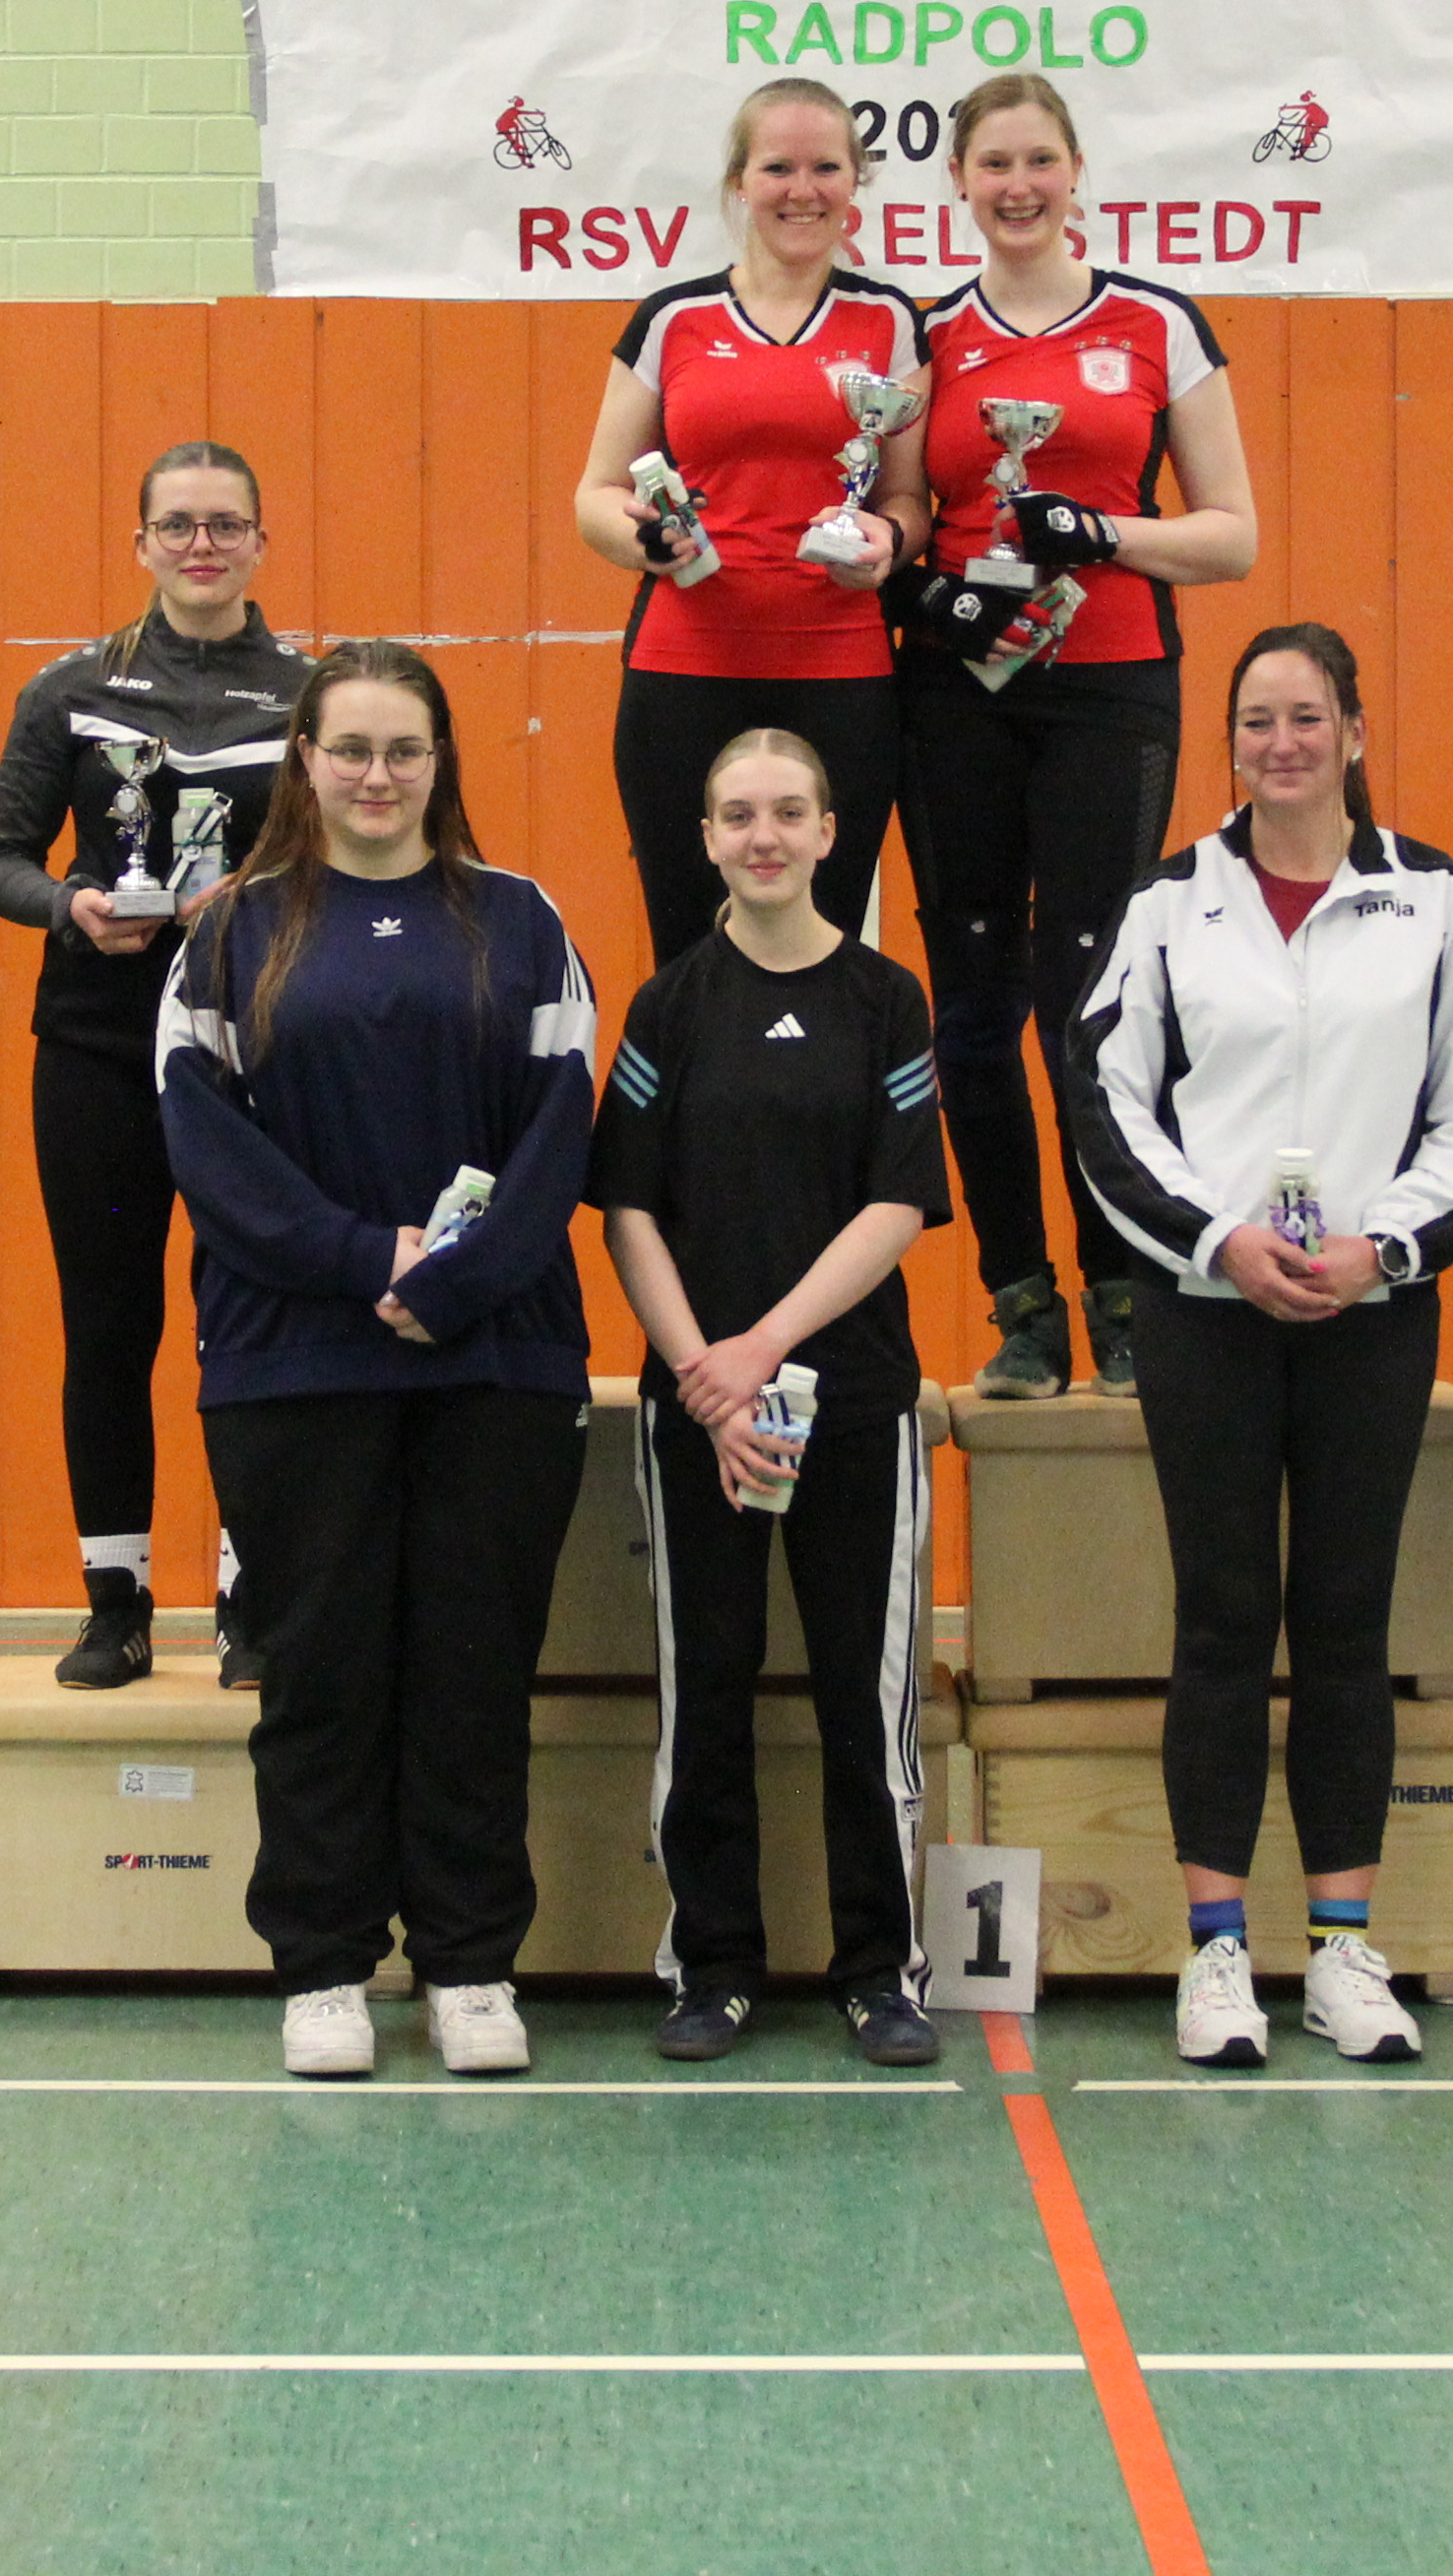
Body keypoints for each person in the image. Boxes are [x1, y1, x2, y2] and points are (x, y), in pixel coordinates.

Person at [1069, 625, 1453, 2071]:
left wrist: (1386, 1247)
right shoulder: (1168, 905)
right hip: (1206, 1313)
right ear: (1231, 744)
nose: (1282, 744)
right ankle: (1214, 1957)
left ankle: (1339, 1953)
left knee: (1343, 1624)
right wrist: (1218, 1242)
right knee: (1219, 1620)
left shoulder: (1434, 898)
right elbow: (1107, 1102)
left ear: (1355, 734)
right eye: (1257, 720)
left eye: (1307, 717)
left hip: (1372, 1314)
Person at [158, 641, 600, 2079]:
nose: (376, 775)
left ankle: (470, 1964)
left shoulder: (519, 921)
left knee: (473, 1671)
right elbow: (205, 1144)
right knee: (321, 1673)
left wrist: (456, 1280)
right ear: (305, 759)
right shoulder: (233, 930)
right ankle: (325, 1964)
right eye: (348, 748)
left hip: (496, 1362)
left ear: (440, 761)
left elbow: (560, 1131)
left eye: (404, 750)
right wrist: (367, 1261)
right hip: (294, 1363)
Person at [592, 727, 953, 2067]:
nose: (763, 836)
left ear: (828, 833)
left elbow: (898, 1203)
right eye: (738, 814)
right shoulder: (667, 1008)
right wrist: (707, 1374)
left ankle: (879, 1973)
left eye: (788, 812)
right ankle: (714, 1965)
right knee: (709, 1690)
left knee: (866, 1697)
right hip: (699, 1415)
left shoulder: (886, 1001)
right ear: (704, 839)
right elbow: (627, 1208)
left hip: (851, 1403)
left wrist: (765, 1348)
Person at [899, 72, 1260, 1402]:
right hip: (957, 694)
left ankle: (1120, 1292)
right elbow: (893, 513)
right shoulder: (926, 335)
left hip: (1111, 688)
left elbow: (1231, 536)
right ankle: (1021, 1307)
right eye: (993, 163)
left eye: (1039, 160)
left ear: (1076, 170)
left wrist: (1102, 533)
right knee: (972, 1011)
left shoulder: (1157, 322)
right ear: (959, 181)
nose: (1018, 186)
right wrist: (920, 593)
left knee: (1093, 1002)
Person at [0, 441, 313, 1690]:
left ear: (261, 542)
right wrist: (69, 907)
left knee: (254, 1323)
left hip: (260, 1055)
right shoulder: (68, 691)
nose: (202, 545)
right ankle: (113, 1603)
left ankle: (249, 1599)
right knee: (108, 1325)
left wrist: (267, 896)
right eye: (178, 525)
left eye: (225, 524)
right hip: (99, 1047)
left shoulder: (312, 696)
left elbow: (360, 854)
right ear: (141, 545)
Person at [569, 78, 924, 964]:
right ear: (739, 182)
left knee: (826, 942)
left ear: (856, 181)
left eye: (826, 167)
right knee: (688, 947)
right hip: (683, 670)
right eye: (777, 168)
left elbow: (908, 502)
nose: (803, 190)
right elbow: (595, 495)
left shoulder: (889, 320)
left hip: (841, 671)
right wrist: (647, 540)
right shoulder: (673, 318)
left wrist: (888, 541)